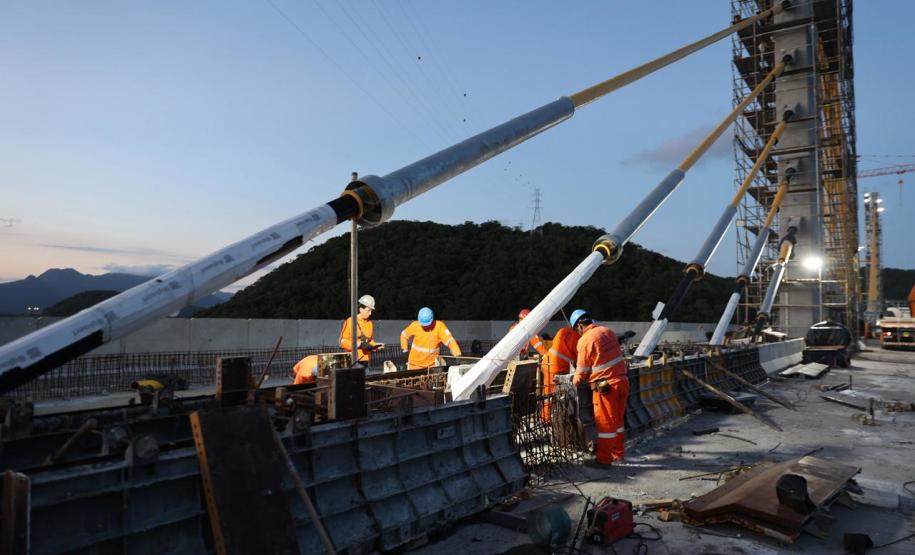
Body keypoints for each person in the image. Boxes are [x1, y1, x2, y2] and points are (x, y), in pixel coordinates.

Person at [570, 309, 629, 465]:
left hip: (606, 387)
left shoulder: (584, 340)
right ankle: (618, 454)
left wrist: (574, 381)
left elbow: (581, 371)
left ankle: (603, 460)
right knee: (617, 422)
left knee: (605, 425)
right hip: (622, 381)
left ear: (579, 326)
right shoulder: (608, 331)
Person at [540, 325, 581, 422]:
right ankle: (546, 419)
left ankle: (546, 418)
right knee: (553, 395)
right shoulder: (578, 338)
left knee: (548, 395)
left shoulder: (563, 330)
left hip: (547, 363)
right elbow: (580, 358)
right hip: (557, 368)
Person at [339, 294, 383, 363]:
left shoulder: (370, 323)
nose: (370, 313)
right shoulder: (350, 321)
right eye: (368, 310)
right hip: (353, 361)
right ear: (361, 309)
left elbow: (370, 341)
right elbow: (342, 342)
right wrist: (359, 344)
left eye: (371, 311)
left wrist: (376, 346)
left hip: (366, 360)